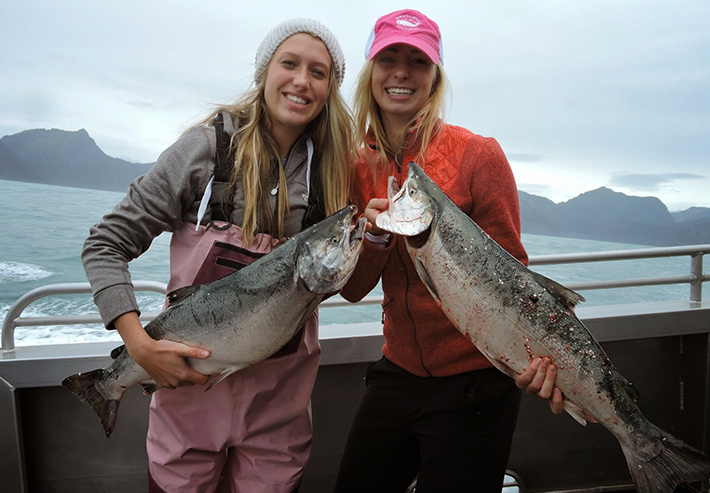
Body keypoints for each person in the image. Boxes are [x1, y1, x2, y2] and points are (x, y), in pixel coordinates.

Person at [82, 18, 352, 493]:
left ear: (330, 89)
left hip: (280, 404)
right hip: (185, 394)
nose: (302, 81)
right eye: (289, 63)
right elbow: (106, 243)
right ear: (264, 71)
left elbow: (340, 281)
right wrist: (140, 347)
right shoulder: (205, 150)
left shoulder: (332, 174)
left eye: (319, 72)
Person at [333, 9, 563, 493]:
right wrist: (374, 235)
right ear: (370, 71)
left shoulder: (478, 155)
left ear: (435, 75)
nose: (401, 72)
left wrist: (533, 356)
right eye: (388, 57)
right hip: (396, 369)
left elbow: (513, 276)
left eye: (417, 60)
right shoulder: (354, 167)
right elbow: (353, 290)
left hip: (476, 381)